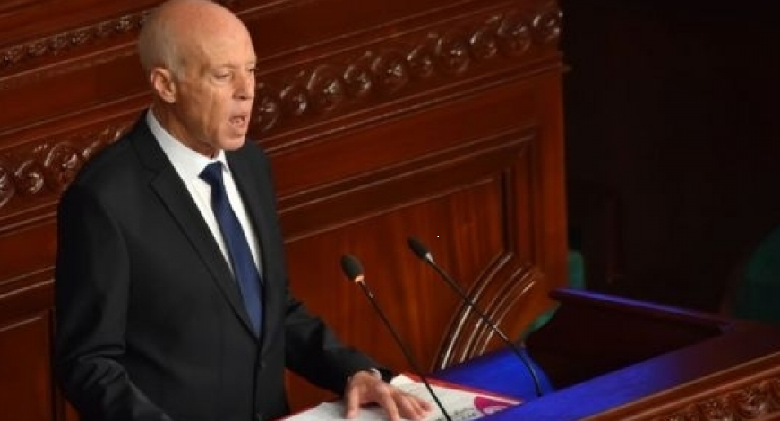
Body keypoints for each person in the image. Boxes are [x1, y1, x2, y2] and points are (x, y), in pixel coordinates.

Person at [53, 1, 433, 420]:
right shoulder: (104, 199)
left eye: (250, 70)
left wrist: (353, 372)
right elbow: (88, 363)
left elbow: (272, 312)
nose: (246, 90)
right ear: (166, 85)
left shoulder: (250, 164)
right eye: (223, 75)